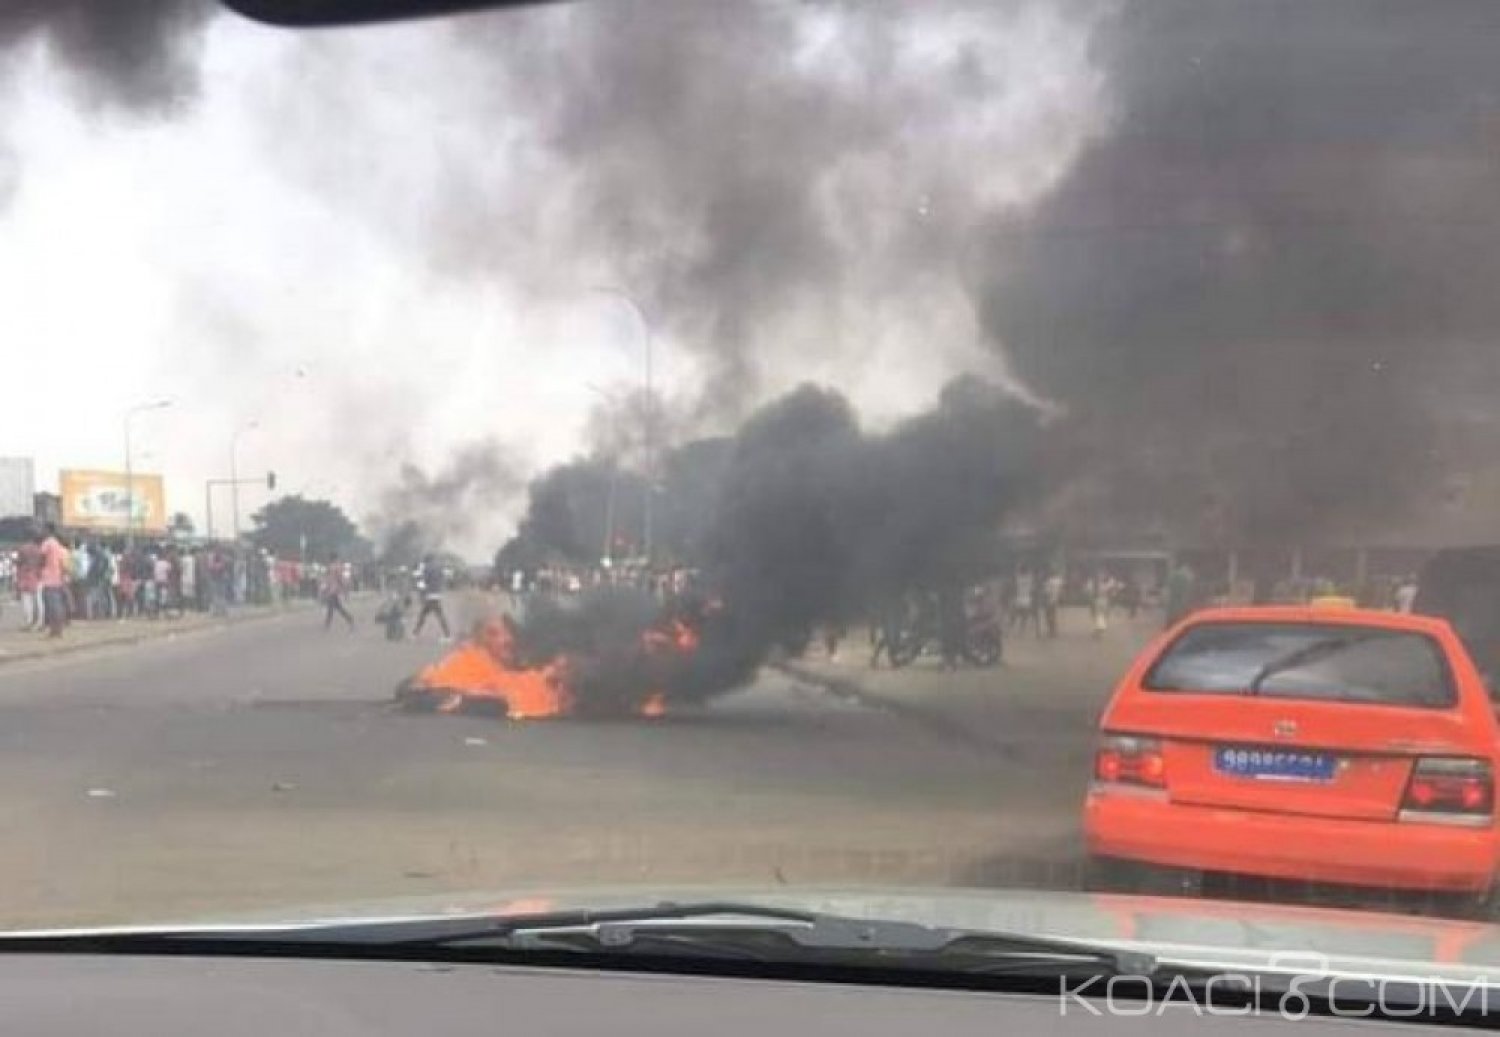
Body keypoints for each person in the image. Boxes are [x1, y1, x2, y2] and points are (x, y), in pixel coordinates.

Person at [37, 524, 67, 638]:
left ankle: (54, 630)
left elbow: (41, 558)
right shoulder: (57, 544)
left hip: (48, 577)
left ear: (48, 530)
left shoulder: (47, 543)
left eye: (43, 529)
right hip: (57, 577)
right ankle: (58, 630)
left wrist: (39, 569)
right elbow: (61, 561)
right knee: (57, 605)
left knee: (51, 605)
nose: (41, 531)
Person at [413, 553, 452, 641]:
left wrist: (421, 593)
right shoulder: (439, 568)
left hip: (429, 595)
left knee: (429, 615)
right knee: (426, 615)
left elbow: (422, 582)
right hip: (437, 594)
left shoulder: (426, 568)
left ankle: (447, 635)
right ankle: (415, 633)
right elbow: (445, 577)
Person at [321, 552, 355, 631]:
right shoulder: (336, 566)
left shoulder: (333, 566)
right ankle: (349, 619)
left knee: (332, 607)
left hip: (333, 590)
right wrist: (343, 588)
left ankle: (328, 624)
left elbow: (337, 578)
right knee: (337, 607)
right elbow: (338, 578)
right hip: (333, 589)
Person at [16, 532, 41, 631]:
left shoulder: (23, 549)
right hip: (36, 575)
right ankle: (38, 622)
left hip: (25, 574)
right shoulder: (39, 549)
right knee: (37, 601)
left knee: (26, 600)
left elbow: (19, 562)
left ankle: (28, 621)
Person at [1164, 560, 1197, 629]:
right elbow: (1184, 597)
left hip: (1174, 612)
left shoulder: (1173, 576)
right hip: (1179, 613)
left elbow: (1168, 592)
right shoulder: (1183, 577)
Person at [1042, 569, 1063, 638]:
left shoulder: (1048, 582)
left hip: (1049, 600)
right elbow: (1061, 589)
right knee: (1053, 615)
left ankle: (1051, 630)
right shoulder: (1059, 580)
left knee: (1048, 616)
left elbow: (1046, 592)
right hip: (1056, 599)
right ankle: (1053, 630)